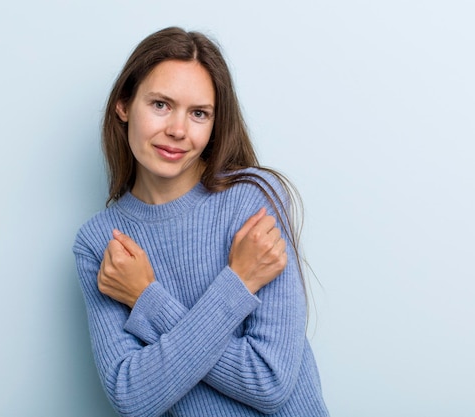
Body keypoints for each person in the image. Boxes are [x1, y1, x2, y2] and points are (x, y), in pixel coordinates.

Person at [73, 26, 329, 417]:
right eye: (160, 104)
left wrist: (146, 299)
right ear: (123, 106)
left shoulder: (253, 198)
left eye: (198, 113)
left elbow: (269, 380)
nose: (177, 130)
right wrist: (239, 283)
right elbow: (131, 397)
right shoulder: (102, 244)